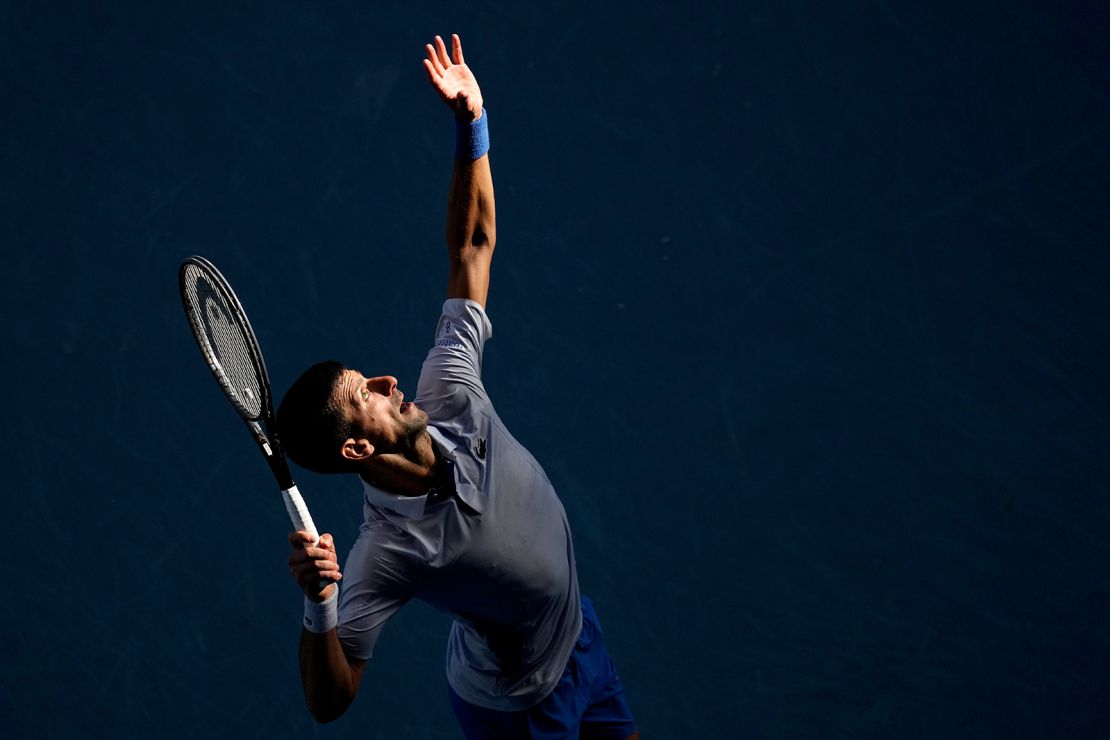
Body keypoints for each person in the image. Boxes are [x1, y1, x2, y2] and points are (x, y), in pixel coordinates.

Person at [277, 34, 639, 740]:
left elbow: (471, 246)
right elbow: (331, 698)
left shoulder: (447, 387)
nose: (386, 381)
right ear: (355, 450)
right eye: (367, 395)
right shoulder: (386, 554)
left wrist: (472, 121)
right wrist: (320, 604)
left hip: (579, 639)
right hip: (520, 707)